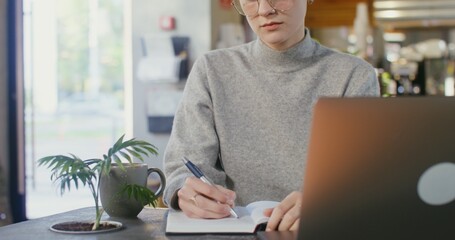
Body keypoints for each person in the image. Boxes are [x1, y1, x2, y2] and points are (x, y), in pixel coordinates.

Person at [162, 0, 380, 232]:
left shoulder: (354, 76)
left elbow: (366, 181)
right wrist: (185, 191)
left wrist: (329, 204)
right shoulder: (210, 70)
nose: (264, 10)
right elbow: (184, 167)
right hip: (231, 232)